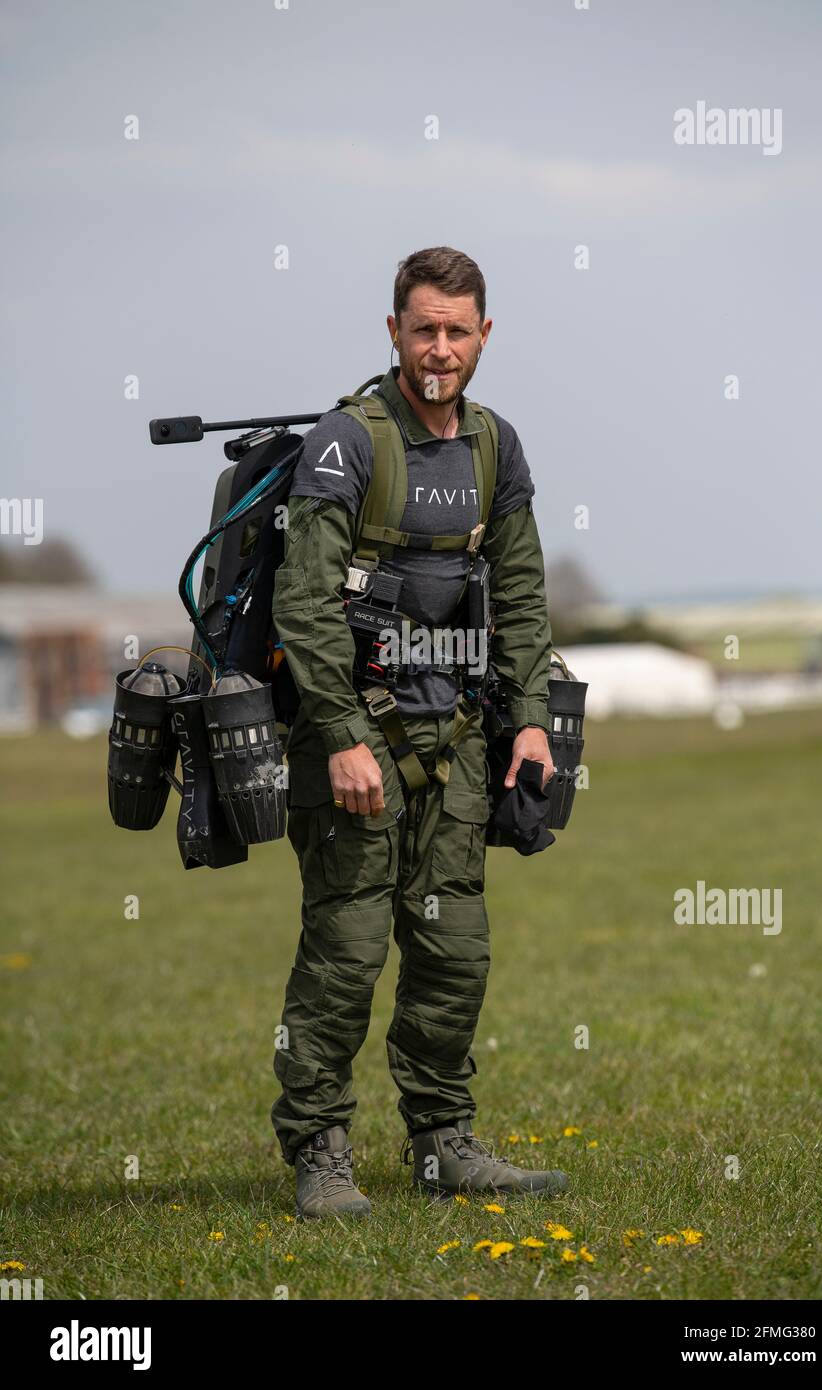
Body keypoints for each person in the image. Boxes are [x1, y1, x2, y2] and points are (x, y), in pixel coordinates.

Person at [270, 246, 569, 1218]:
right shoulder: (345, 445)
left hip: (461, 749)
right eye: (422, 328)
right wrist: (342, 735)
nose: (438, 348)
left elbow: (520, 600)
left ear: (485, 334)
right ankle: (319, 1150)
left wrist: (527, 724)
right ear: (392, 331)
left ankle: (442, 1145)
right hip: (355, 750)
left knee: (454, 953)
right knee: (345, 951)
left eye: (456, 330)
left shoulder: (496, 447)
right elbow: (303, 603)